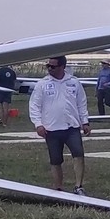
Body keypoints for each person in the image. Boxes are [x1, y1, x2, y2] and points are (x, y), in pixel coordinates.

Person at [29, 55, 91, 195]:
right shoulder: (42, 84)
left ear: (62, 67)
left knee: (78, 154)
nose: (49, 69)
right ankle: (58, 187)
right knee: (55, 159)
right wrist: (38, 124)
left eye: (53, 66)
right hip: (51, 128)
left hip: (71, 127)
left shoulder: (74, 82)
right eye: (48, 66)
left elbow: (81, 103)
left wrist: (85, 121)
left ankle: (78, 186)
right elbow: (34, 106)